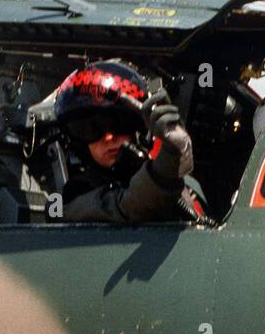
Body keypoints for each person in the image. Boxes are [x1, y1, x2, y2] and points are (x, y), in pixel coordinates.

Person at [52, 59, 205, 224]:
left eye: (119, 123)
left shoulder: (185, 183)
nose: (109, 137)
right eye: (89, 128)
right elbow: (128, 206)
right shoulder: (67, 201)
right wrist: (166, 168)